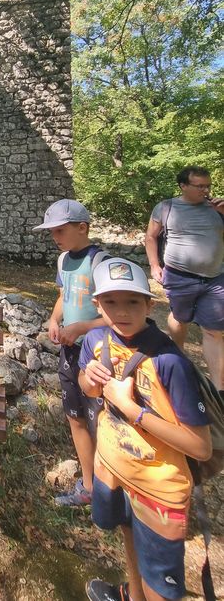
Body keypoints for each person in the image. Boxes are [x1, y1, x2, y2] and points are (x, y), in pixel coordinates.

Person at [80, 257, 212, 601]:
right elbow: (87, 386)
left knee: (161, 583)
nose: (121, 312)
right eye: (110, 302)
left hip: (159, 490)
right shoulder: (95, 339)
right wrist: (88, 379)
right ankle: (132, 594)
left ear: (149, 304)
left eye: (132, 302)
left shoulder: (169, 362)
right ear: (97, 304)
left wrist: (131, 410)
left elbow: (200, 448)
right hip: (113, 469)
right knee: (128, 533)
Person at [34, 199, 109, 506]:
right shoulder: (64, 261)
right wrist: (55, 319)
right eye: (52, 232)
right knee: (75, 416)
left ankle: (112, 489)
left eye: (60, 231)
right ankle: (90, 486)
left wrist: (80, 328)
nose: (55, 238)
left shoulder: (101, 263)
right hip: (70, 351)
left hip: (98, 353)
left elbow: (115, 317)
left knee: (102, 421)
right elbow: (64, 296)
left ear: (82, 228)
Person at [145, 166, 224, 390]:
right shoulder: (166, 207)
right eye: (199, 186)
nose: (205, 190)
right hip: (179, 276)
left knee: (214, 330)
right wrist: (154, 265)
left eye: (207, 185)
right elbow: (150, 237)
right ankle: (178, 356)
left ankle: (219, 389)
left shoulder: (217, 208)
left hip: (215, 277)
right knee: (180, 318)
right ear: (183, 186)